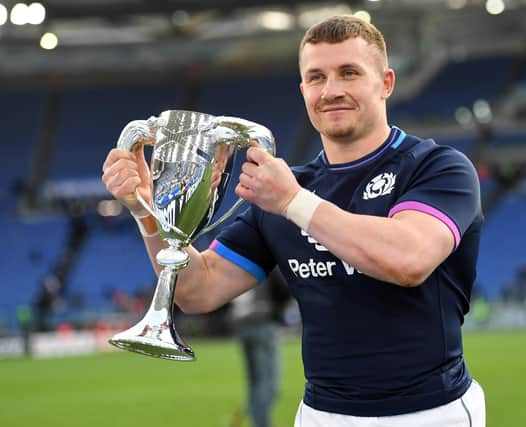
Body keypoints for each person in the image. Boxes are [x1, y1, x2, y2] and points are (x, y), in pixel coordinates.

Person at [102, 15, 485, 427]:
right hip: (322, 414)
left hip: (429, 413)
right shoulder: (285, 190)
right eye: (316, 78)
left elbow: (409, 259)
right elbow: (199, 290)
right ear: (304, 91)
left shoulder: (438, 167)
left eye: (349, 73)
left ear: (386, 83)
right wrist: (146, 209)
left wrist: (294, 202)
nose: (331, 90)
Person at [230, 268, 290, 427]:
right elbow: (284, 289)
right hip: (263, 323)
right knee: (269, 384)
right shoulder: (266, 262)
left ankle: (253, 419)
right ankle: (261, 423)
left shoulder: (236, 262)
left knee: (254, 382)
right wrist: (277, 314)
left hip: (241, 325)